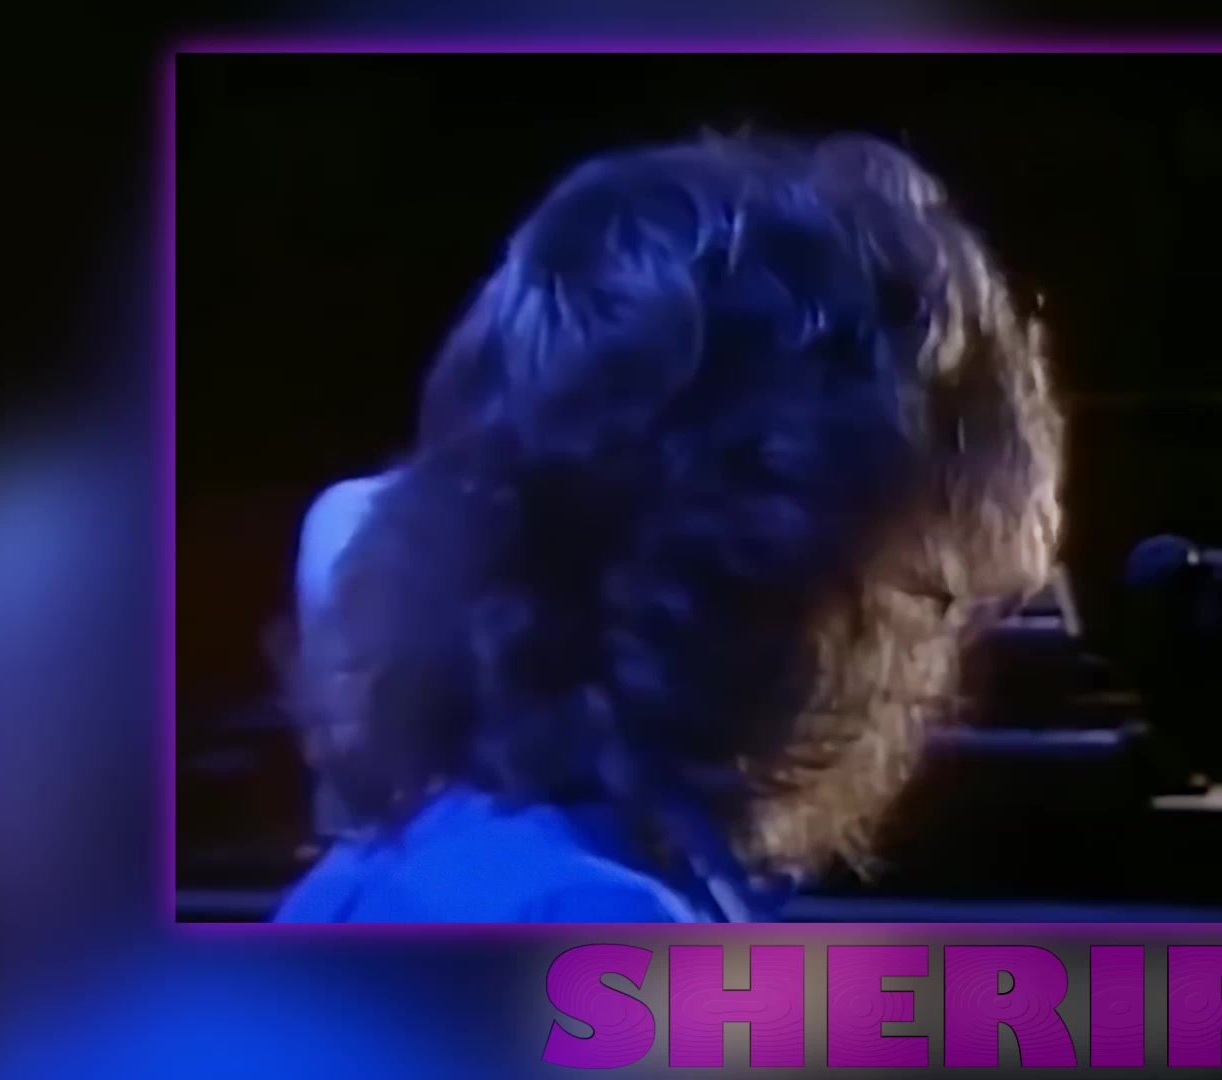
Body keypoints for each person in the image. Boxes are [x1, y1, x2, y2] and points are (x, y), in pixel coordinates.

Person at [272, 132, 1063, 922]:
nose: (930, 661)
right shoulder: (587, 914)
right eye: (923, 586)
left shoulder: (382, 870)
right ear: (792, 567)